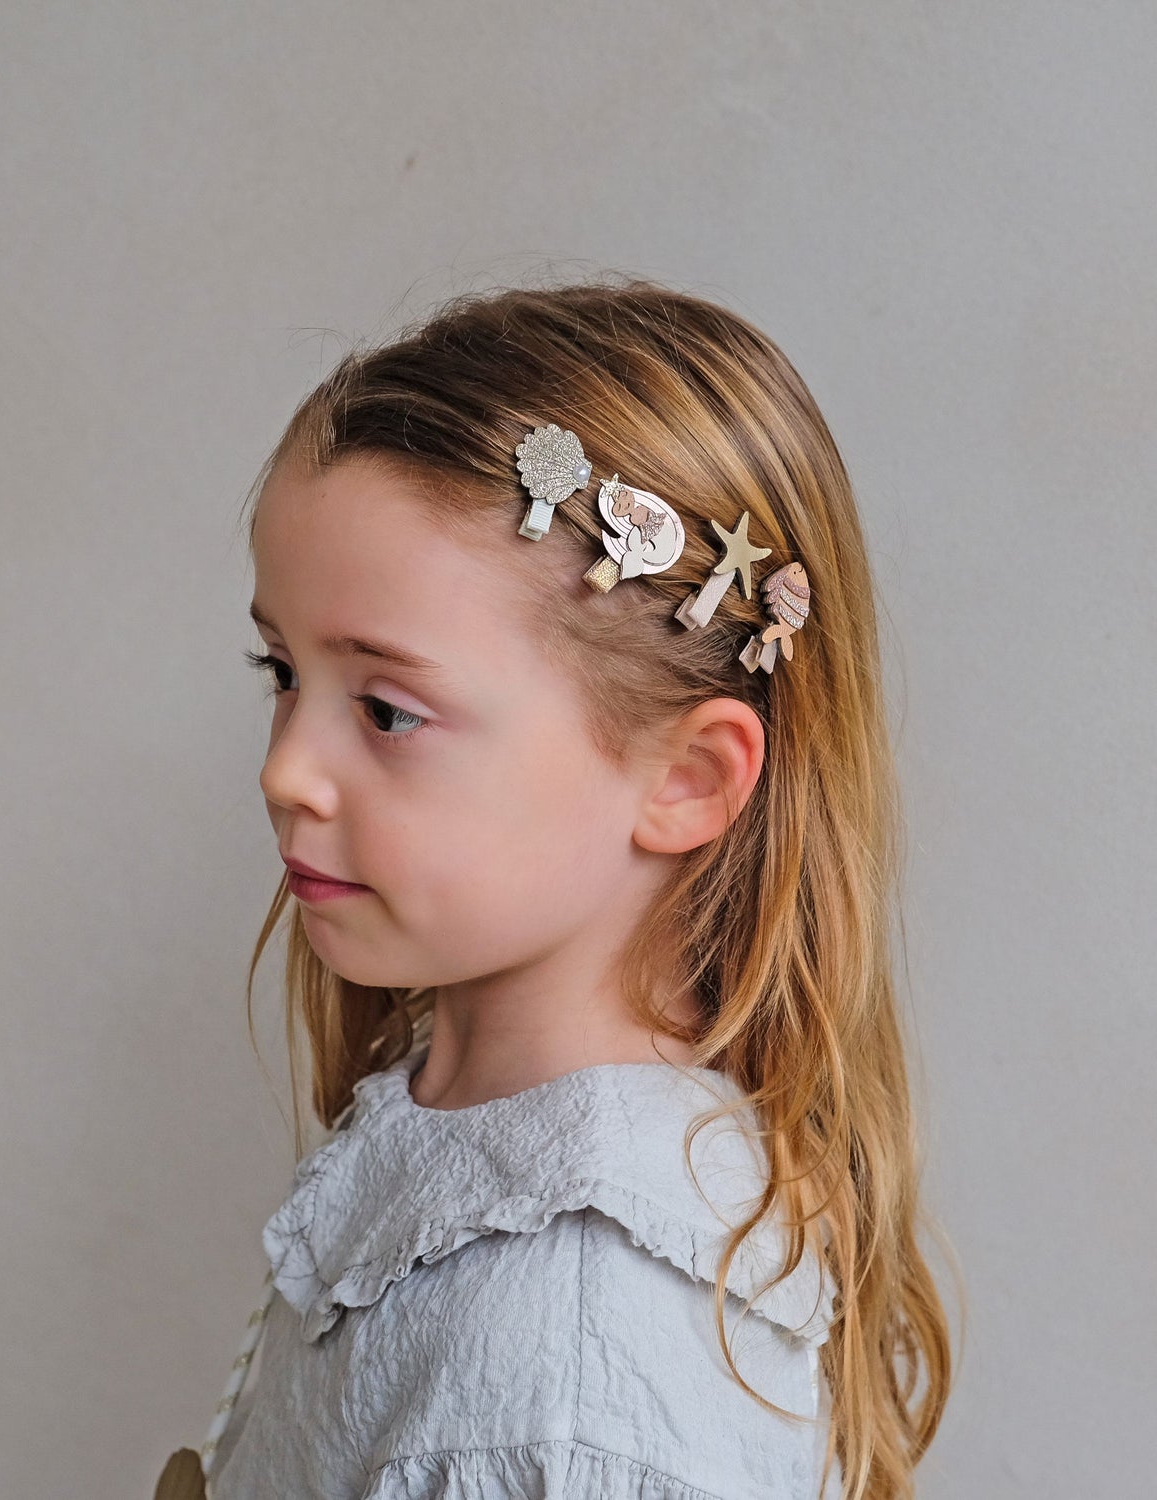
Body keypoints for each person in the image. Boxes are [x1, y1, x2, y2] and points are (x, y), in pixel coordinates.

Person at [169, 278, 952, 1500]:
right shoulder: (469, 1151)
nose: (285, 771)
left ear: (687, 779)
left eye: (387, 710)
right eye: (283, 672)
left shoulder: (575, 1369)